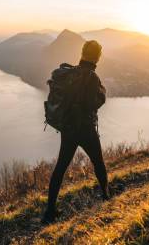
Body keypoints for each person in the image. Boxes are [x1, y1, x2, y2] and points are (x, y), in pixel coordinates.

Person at [42, 40, 109, 223]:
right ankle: (106, 197)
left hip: (69, 129)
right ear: (97, 57)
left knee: (60, 168)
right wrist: (102, 92)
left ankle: (49, 212)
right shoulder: (92, 78)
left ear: (82, 53)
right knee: (98, 163)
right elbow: (91, 104)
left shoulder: (71, 74)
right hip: (85, 130)